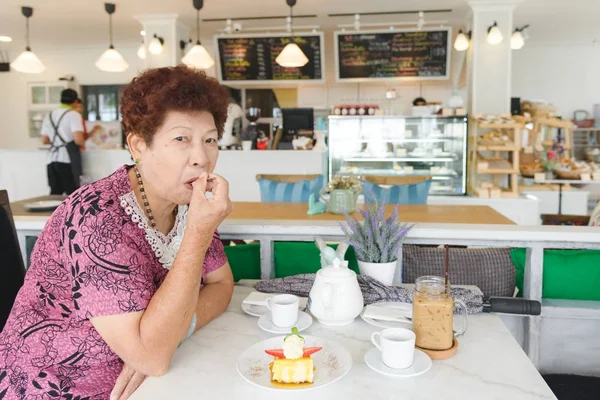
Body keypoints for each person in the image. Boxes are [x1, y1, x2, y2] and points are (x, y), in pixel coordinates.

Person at [0, 65, 235, 399]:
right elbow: (153, 358)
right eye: (181, 138)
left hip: (149, 382)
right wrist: (197, 234)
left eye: (209, 140)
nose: (201, 157)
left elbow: (222, 284)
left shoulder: (187, 204)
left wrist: (173, 332)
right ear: (139, 145)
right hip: (56, 385)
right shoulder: (97, 217)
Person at [40, 89, 86, 195]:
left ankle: (55, 212)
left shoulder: (50, 115)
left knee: (55, 193)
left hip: (51, 159)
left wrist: (57, 141)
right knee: (73, 194)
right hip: (67, 159)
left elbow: (44, 140)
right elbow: (78, 139)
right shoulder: (73, 115)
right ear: (75, 101)